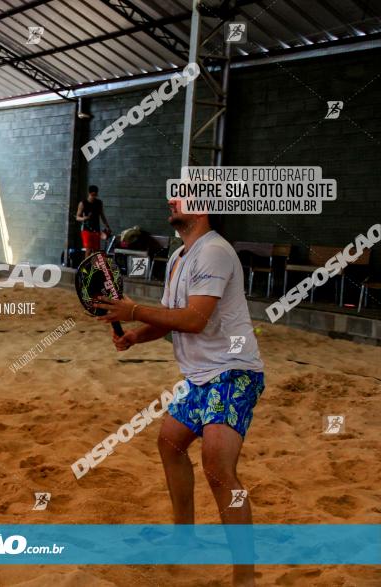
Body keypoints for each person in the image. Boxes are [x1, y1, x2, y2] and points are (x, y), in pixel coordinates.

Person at [96, 201, 264, 587]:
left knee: (218, 469)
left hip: (233, 372)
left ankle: (245, 576)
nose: (172, 200)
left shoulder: (215, 251)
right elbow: (173, 315)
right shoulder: (180, 256)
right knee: (170, 443)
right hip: (200, 378)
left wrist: (135, 311)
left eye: (183, 195)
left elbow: (195, 318)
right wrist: (137, 334)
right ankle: (184, 537)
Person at [75, 185, 111, 253]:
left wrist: (107, 226)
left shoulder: (99, 203)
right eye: (92, 195)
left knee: (96, 250)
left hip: (96, 229)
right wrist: (84, 218)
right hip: (86, 229)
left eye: (95, 195)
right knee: (88, 249)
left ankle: (95, 263)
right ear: (89, 193)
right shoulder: (83, 203)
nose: (94, 197)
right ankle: (86, 263)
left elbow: (102, 215)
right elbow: (77, 217)